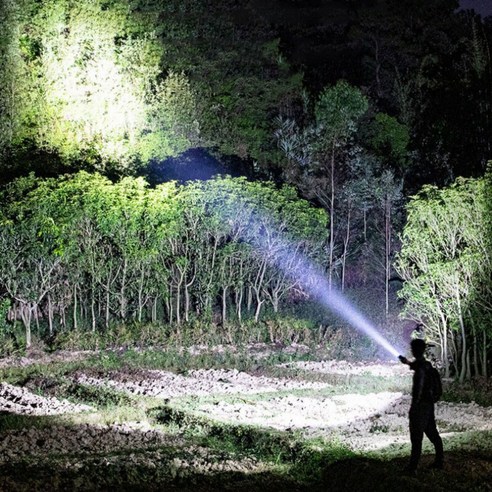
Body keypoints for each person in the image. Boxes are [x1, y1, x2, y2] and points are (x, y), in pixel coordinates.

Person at [399, 339, 444, 474]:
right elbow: (416, 365)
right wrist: (407, 362)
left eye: (412, 348)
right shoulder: (426, 364)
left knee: (416, 437)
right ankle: (439, 460)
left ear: (415, 350)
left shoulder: (420, 369)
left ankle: (412, 468)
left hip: (420, 407)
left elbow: (418, 388)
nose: (411, 350)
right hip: (429, 405)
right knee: (432, 433)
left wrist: (414, 406)